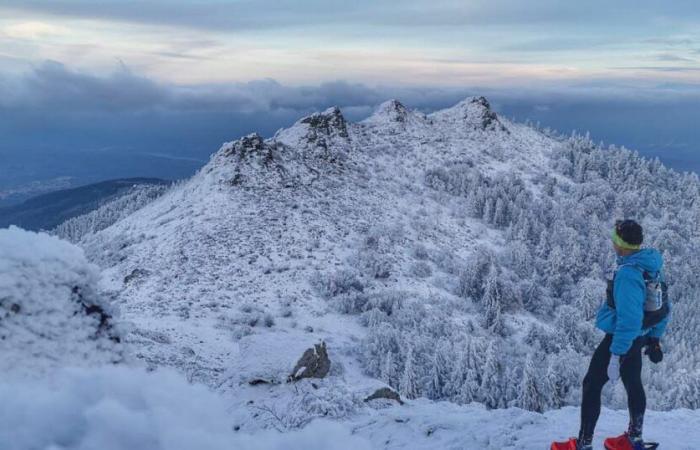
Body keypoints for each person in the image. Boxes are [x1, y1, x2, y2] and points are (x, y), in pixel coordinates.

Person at [552, 219, 669, 450]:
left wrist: (616, 355)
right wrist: (655, 338)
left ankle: (583, 444)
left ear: (621, 244)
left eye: (614, 238)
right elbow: (665, 305)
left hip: (621, 339)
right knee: (634, 384)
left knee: (591, 385)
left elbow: (629, 320)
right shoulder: (650, 264)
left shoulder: (627, 274)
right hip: (640, 338)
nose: (611, 242)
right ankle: (634, 439)